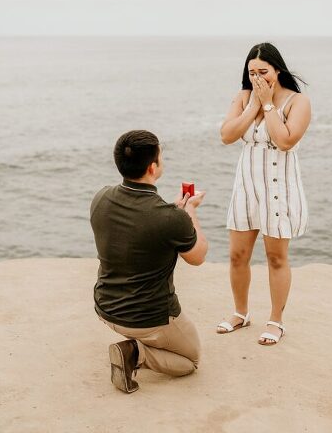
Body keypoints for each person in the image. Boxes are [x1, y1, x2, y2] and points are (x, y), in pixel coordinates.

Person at [90, 130, 208, 393]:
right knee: (190, 360)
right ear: (153, 167)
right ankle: (135, 352)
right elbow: (198, 256)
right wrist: (190, 212)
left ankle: (136, 343)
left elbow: (139, 224)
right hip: (148, 318)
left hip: (106, 307)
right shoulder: (169, 219)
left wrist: (176, 212)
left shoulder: (101, 198)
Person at [217, 42, 311, 346]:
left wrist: (269, 104)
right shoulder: (243, 98)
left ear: (277, 70)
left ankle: (275, 320)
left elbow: (284, 140)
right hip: (246, 187)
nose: (258, 77)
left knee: (276, 257)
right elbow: (227, 135)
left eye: (264, 71)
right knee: (237, 255)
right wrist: (254, 105)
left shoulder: (298, 102)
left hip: (279, 189)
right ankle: (240, 313)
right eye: (252, 72)